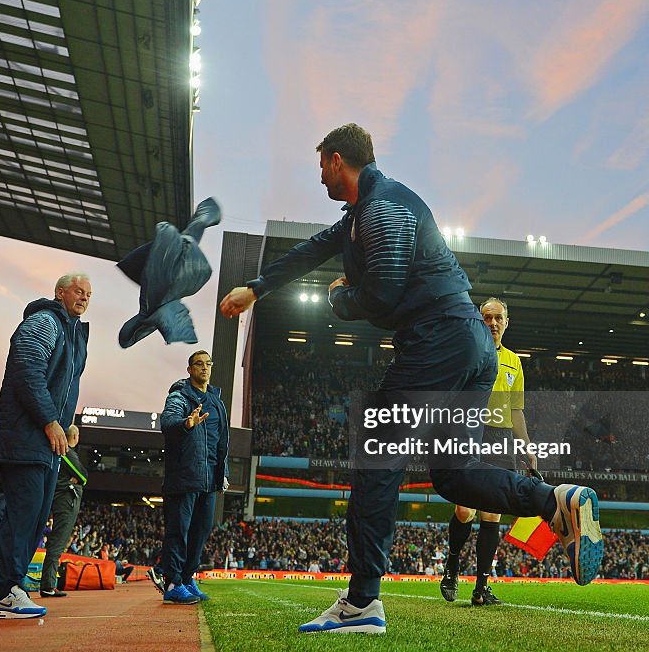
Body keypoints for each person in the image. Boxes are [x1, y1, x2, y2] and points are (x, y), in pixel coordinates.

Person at [220, 123, 604, 634]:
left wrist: (339, 298)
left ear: (338, 161)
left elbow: (382, 293)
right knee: (454, 475)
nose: (319, 180)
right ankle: (553, 501)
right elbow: (313, 248)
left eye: (321, 169)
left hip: (439, 339)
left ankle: (362, 603)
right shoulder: (364, 211)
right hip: (468, 346)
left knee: (376, 461)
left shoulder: (384, 206)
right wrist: (256, 286)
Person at [0, 273, 91, 619]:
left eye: (89, 294)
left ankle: (9, 589)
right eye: (79, 291)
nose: (85, 297)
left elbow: (61, 385)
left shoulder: (74, 334)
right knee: (23, 515)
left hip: (46, 442)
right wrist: (49, 420)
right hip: (27, 436)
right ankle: (5, 592)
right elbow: (27, 368)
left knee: (34, 520)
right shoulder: (45, 321)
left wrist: (64, 422)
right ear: (60, 292)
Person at [440, 297, 533, 606]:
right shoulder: (467, 351)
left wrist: (526, 447)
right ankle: (452, 566)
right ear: (480, 321)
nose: (493, 322)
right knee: (465, 509)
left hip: (501, 437)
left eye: (498, 318)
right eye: (487, 317)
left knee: (493, 511)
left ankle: (481, 587)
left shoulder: (514, 361)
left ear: (507, 323)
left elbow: (517, 409)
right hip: (470, 432)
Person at [155, 350, 229, 605]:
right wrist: (187, 423)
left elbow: (221, 442)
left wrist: (223, 472)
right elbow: (168, 422)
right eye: (199, 364)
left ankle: (187, 578)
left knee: (201, 531)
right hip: (184, 477)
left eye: (208, 363)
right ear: (189, 370)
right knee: (179, 530)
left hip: (209, 480)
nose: (205, 368)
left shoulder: (217, 402)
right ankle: (173, 583)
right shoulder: (179, 395)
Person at [39, 428, 86, 597]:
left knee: (53, 543)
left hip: (54, 498)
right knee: (57, 543)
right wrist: (74, 479)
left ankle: (47, 583)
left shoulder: (56, 451)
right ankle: (48, 585)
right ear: (74, 437)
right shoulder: (67, 452)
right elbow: (84, 475)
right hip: (64, 501)